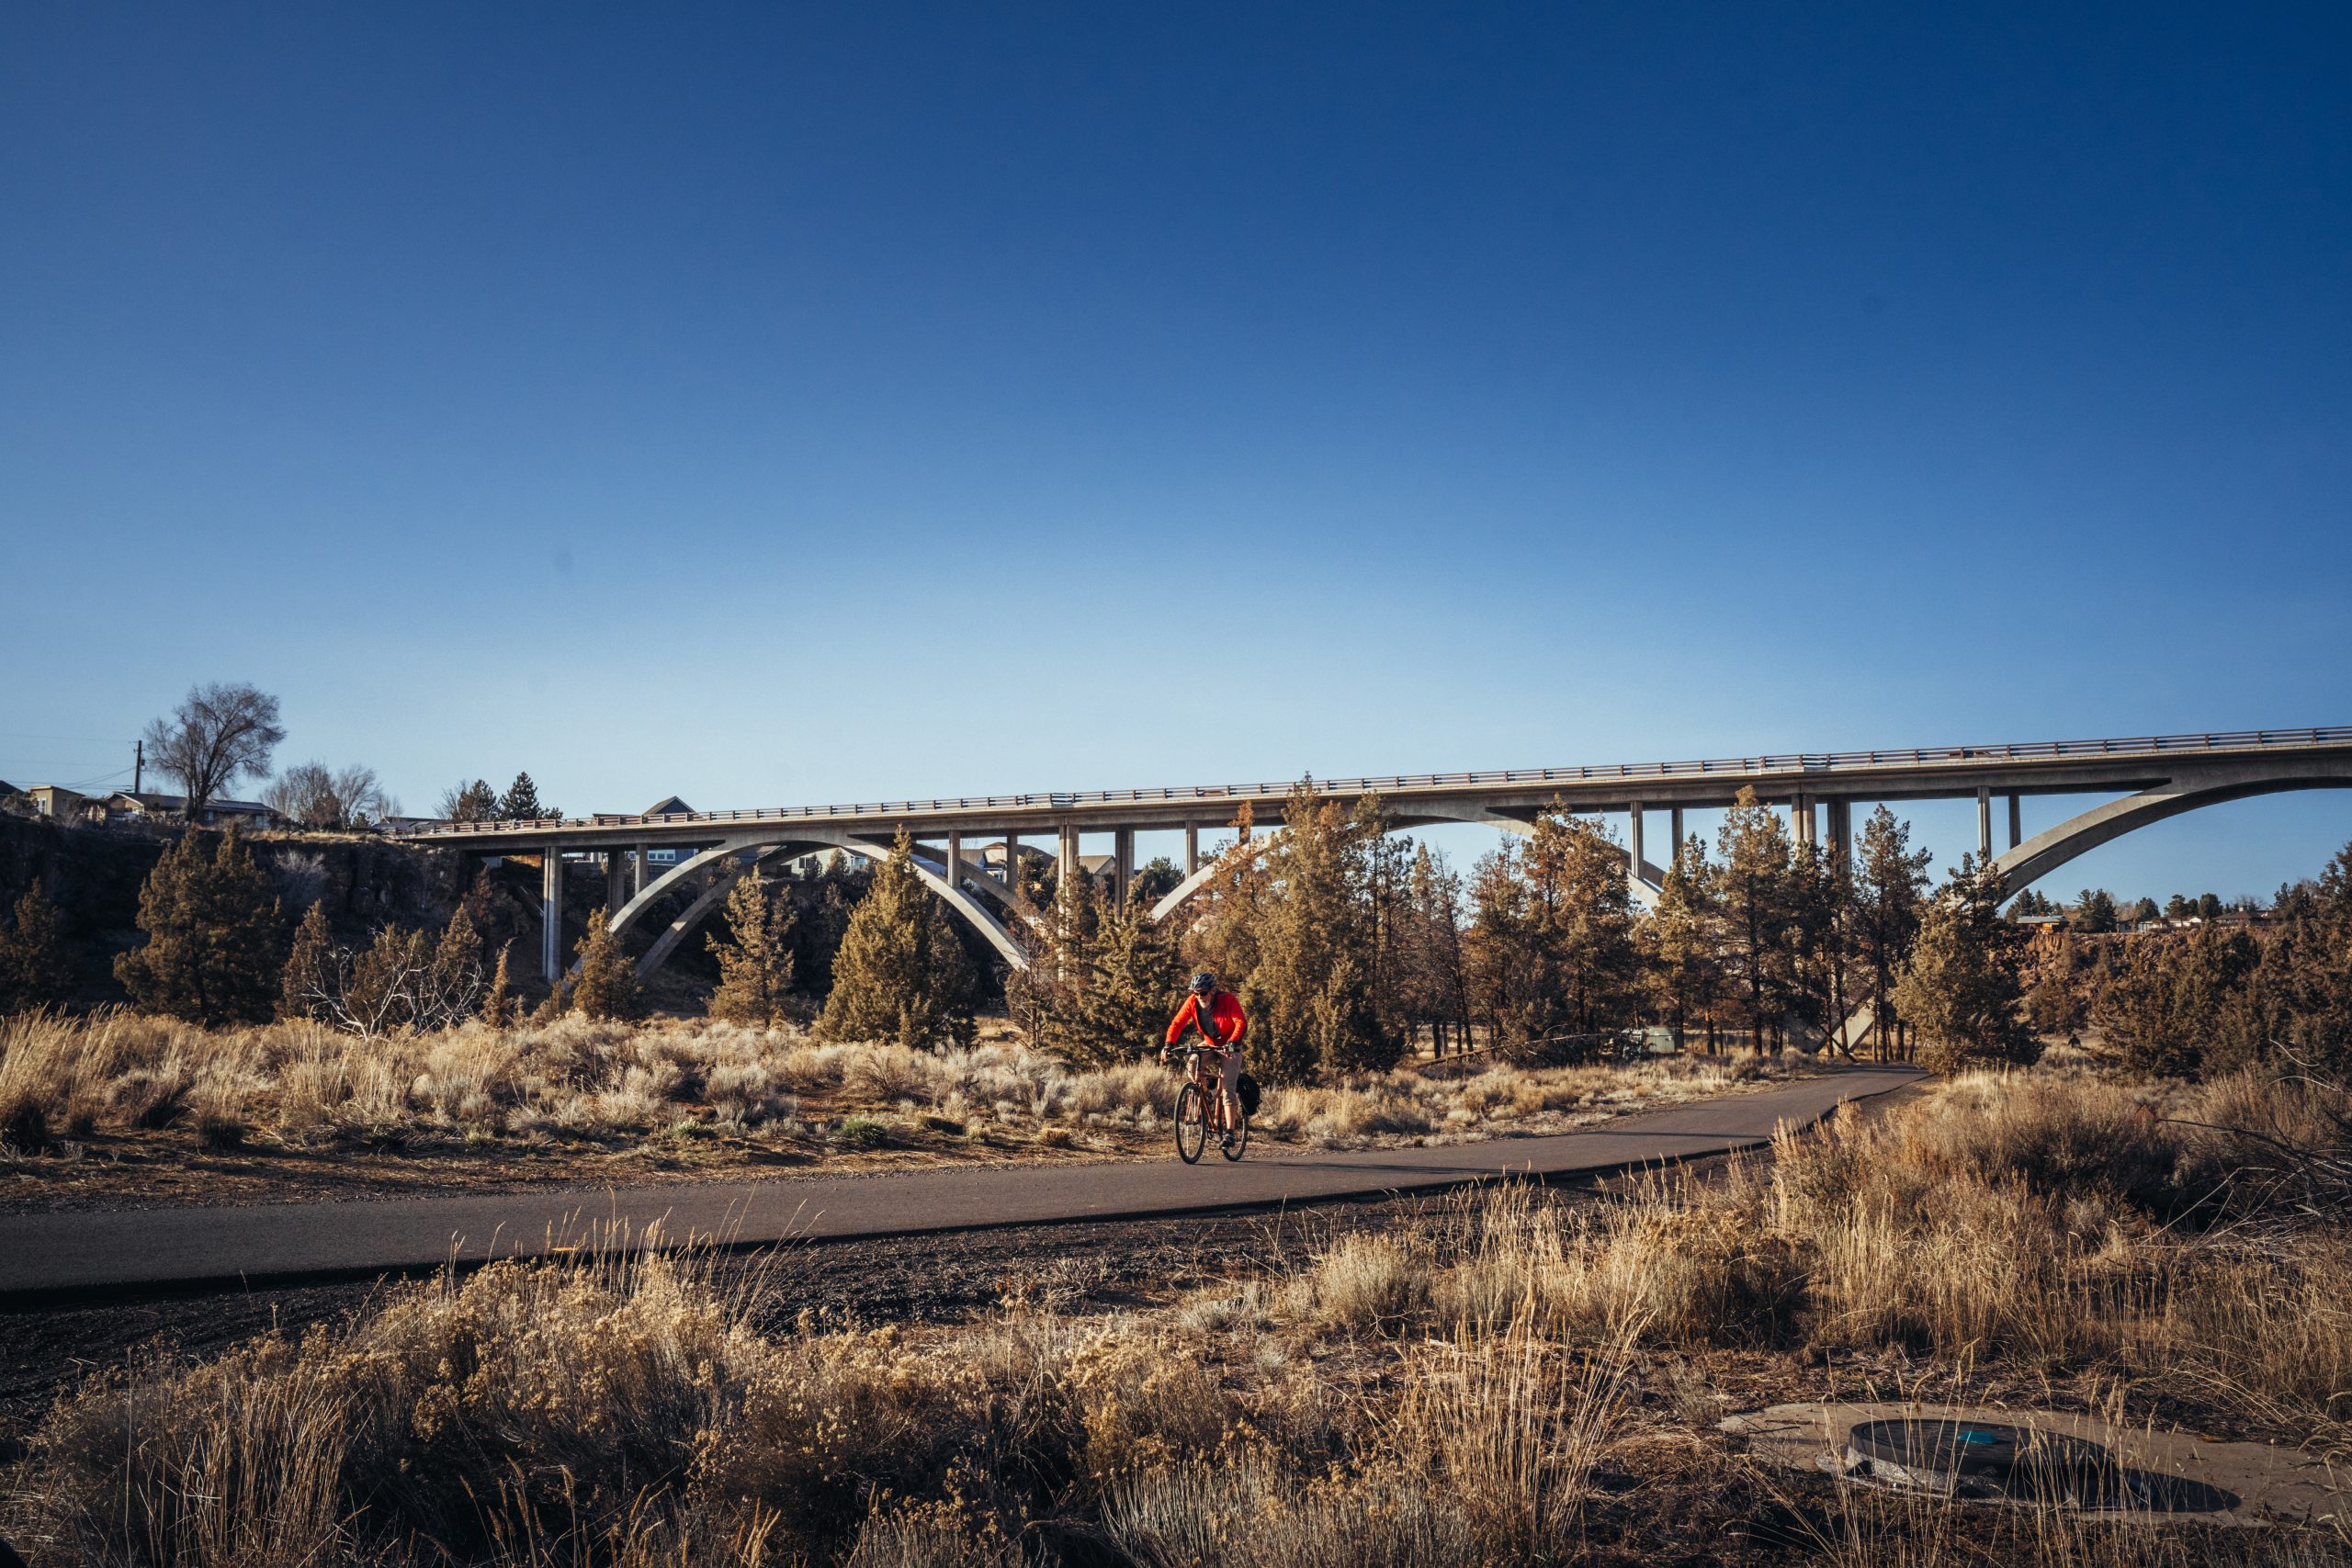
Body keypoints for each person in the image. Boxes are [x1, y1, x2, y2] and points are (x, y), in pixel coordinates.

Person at [1162, 971, 1248, 1146]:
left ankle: (1230, 1133)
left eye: (1202, 993)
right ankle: (1207, 1095)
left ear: (1213, 991)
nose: (1199, 996)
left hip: (1230, 1047)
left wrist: (1232, 1042)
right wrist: (1168, 1044)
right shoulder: (1192, 1002)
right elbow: (1177, 1023)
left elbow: (1240, 1022)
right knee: (1191, 1064)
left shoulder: (1228, 1000)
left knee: (1228, 1089)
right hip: (1209, 1043)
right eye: (1195, 993)